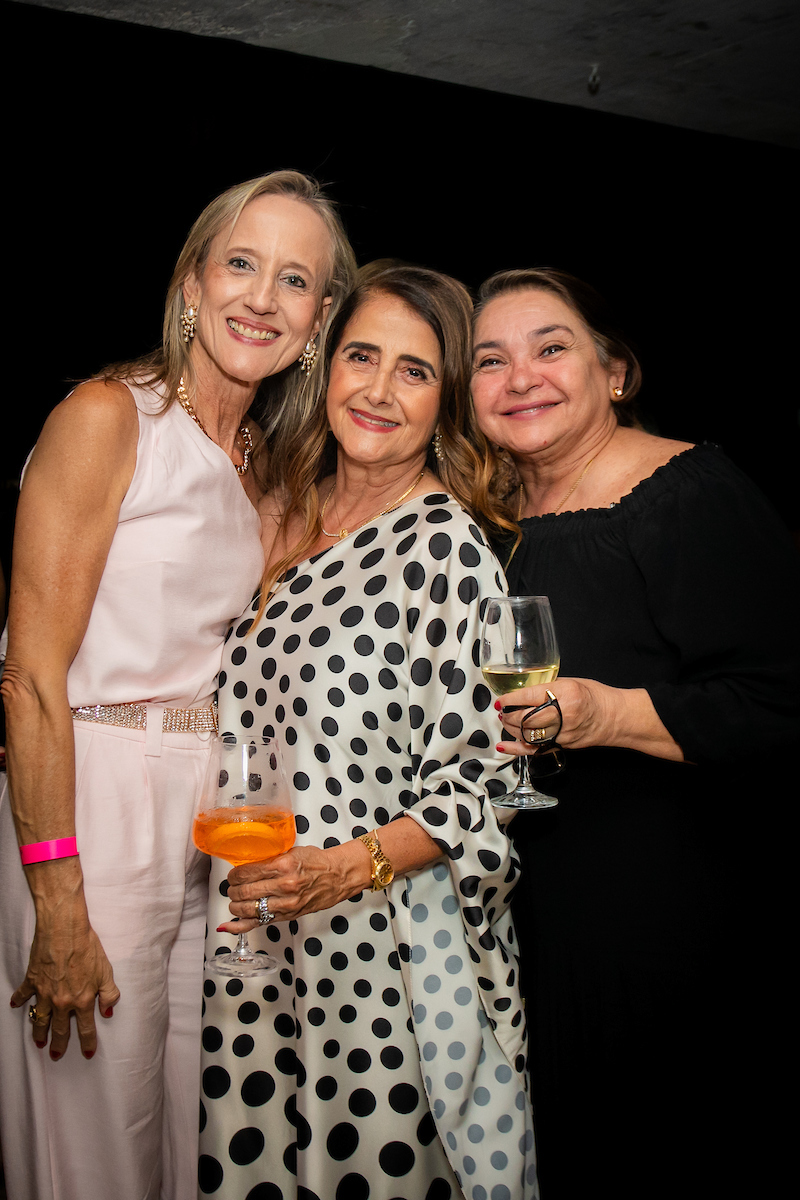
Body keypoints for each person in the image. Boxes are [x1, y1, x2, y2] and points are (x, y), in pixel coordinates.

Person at [0, 170, 356, 1200]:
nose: (261, 297)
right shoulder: (109, 417)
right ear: (191, 283)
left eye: (294, 281)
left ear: (317, 318)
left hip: (207, 830)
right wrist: (57, 894)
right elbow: (29, 678)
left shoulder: (269, 468)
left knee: (188, 1133)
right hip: (90, 801)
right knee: (91, 1138)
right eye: (240, 263)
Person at [199, 265, 538, 1200]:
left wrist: (342, 871)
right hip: (247, 947)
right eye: (362, 356)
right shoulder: (280, 517)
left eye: (416, 371)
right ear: (323, 363)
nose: (380, 392)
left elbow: (485, 791)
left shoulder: (448, 549)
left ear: (450, 400)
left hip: (375, 962)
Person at [470, 267, 800, 1199]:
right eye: (490, 361)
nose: (520, 376)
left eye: (550, 348)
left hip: (673, 914)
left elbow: (780, 701)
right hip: (535, 918)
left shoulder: (686, 489)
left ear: (614, 372)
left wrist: (605, 713)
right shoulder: (492, 527)